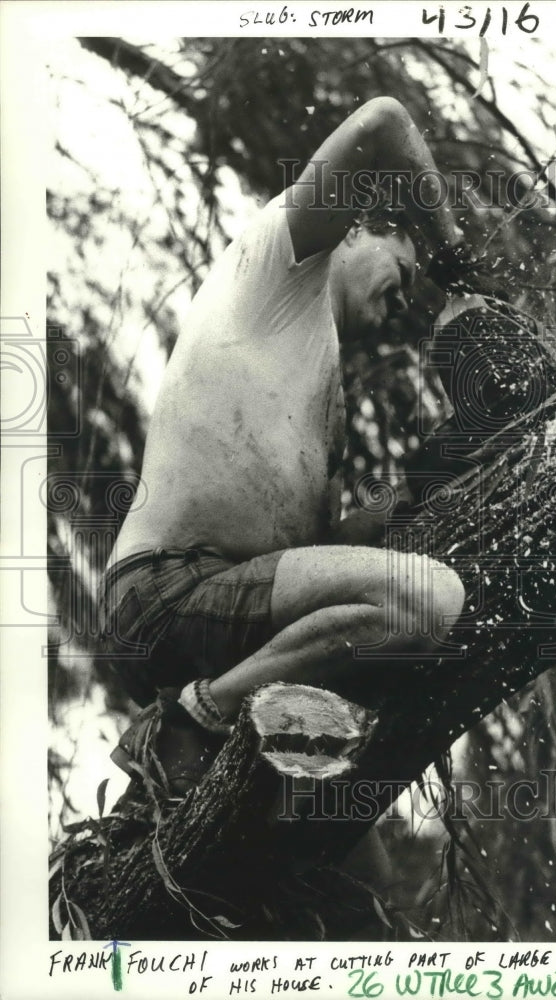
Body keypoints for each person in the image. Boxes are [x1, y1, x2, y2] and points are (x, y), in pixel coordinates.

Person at [98, 98, 470, 808]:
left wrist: (425, 475)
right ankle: (195, 719)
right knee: (429, 598)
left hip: (227, 608)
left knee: (349, 849)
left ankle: (189, 759)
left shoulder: (320, 373)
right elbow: (382, 123)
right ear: (356, 228)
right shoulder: (282, 262)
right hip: (164, 592)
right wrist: (452, 247)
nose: (406, 302)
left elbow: (322, 555)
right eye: (405, 269)